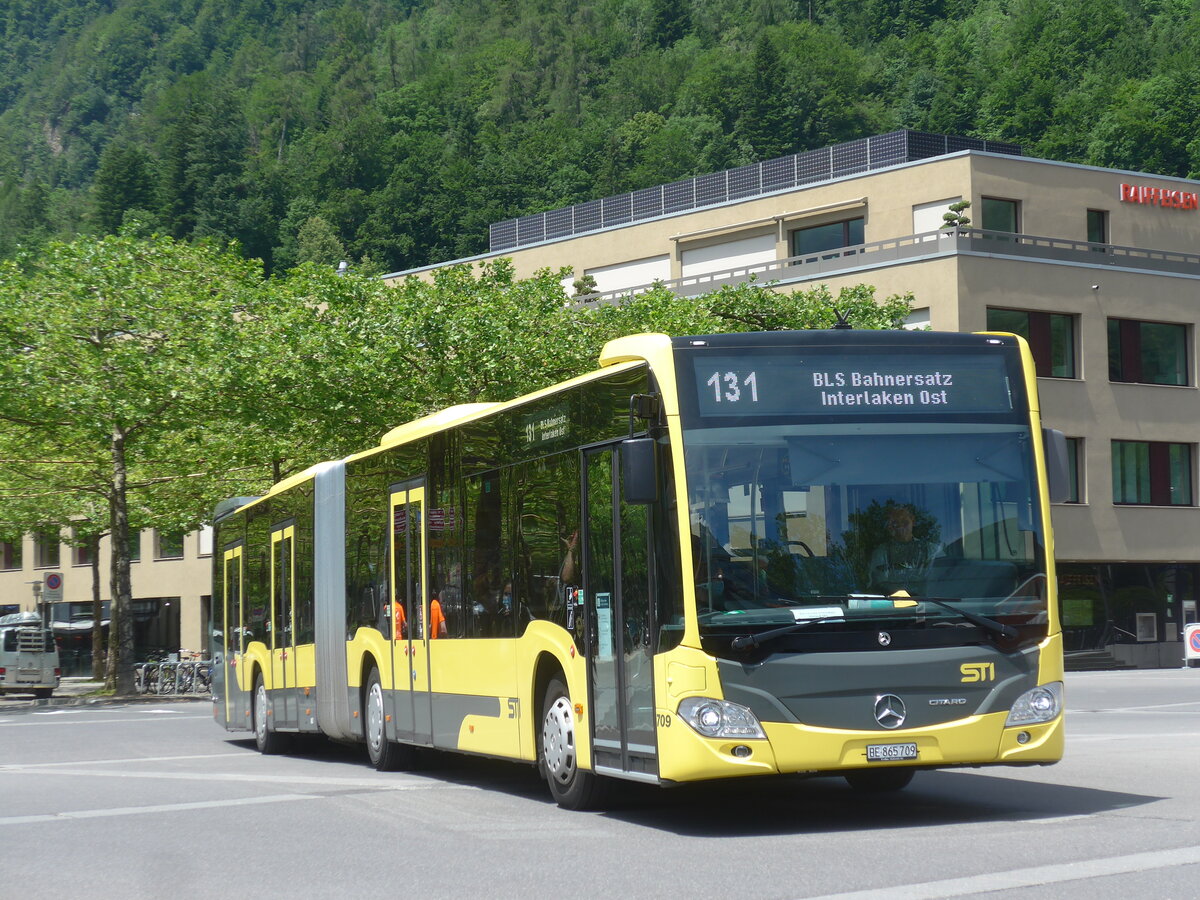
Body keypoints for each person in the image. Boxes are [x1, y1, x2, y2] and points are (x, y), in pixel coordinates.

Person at [868, 504, 939, 594]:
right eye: (895, 523)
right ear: (889, 526)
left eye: (905, 522)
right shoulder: (881, 553)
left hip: (931, 605)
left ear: (913, 521)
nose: (900, 527)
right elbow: (877, 586)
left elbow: (941, 582)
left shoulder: (932, 550)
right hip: (890, 606)